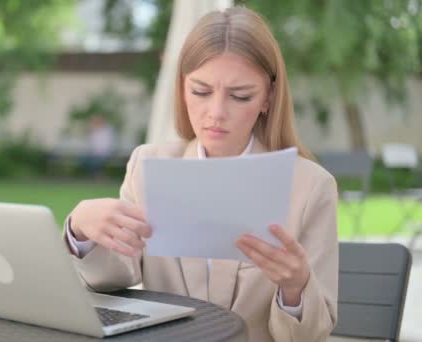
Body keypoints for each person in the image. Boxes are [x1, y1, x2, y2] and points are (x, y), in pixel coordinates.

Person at [63, 6, 338, 342]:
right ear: (181, 88)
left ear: (268, 96)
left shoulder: (311, 188)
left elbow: (312, 337)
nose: (216, 113)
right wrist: (82, 231)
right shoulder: (148, 164)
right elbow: (114, 277)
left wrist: (296, 289)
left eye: (240, 96)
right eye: (201, 91)